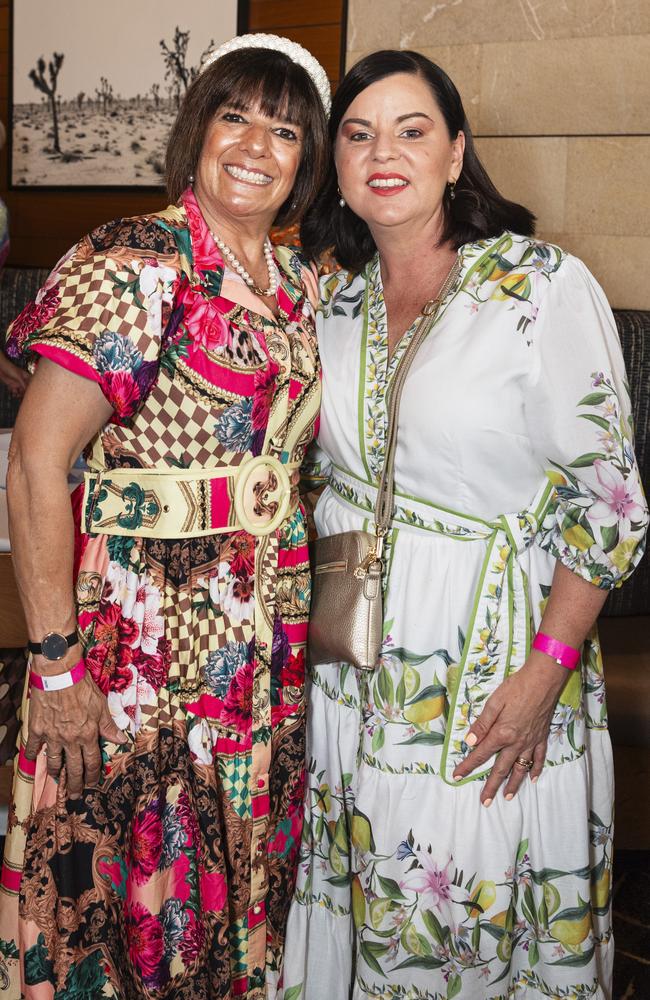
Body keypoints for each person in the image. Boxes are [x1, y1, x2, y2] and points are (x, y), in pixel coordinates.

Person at [282, 50, 648, 999]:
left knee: (462, 893)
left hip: (489, 657)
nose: (382, 152)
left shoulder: (539, 286)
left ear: (457, 155)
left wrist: (547, 672)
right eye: (358, 135)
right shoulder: (334, 295)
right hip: (349, 658)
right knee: (362, 887)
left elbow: (608, 508)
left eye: (412, 130)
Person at [0, 34, 329, 999]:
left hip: (262, 645)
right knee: (126, 876)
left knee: (237, 876)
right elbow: (36, 460)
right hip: (136, 644)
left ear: (307, 158)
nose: (256, 146)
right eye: (235, 117)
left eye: (283, 129)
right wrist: (55, 659)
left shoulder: (301, 287)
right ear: (196, 130)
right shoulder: (133, 261)